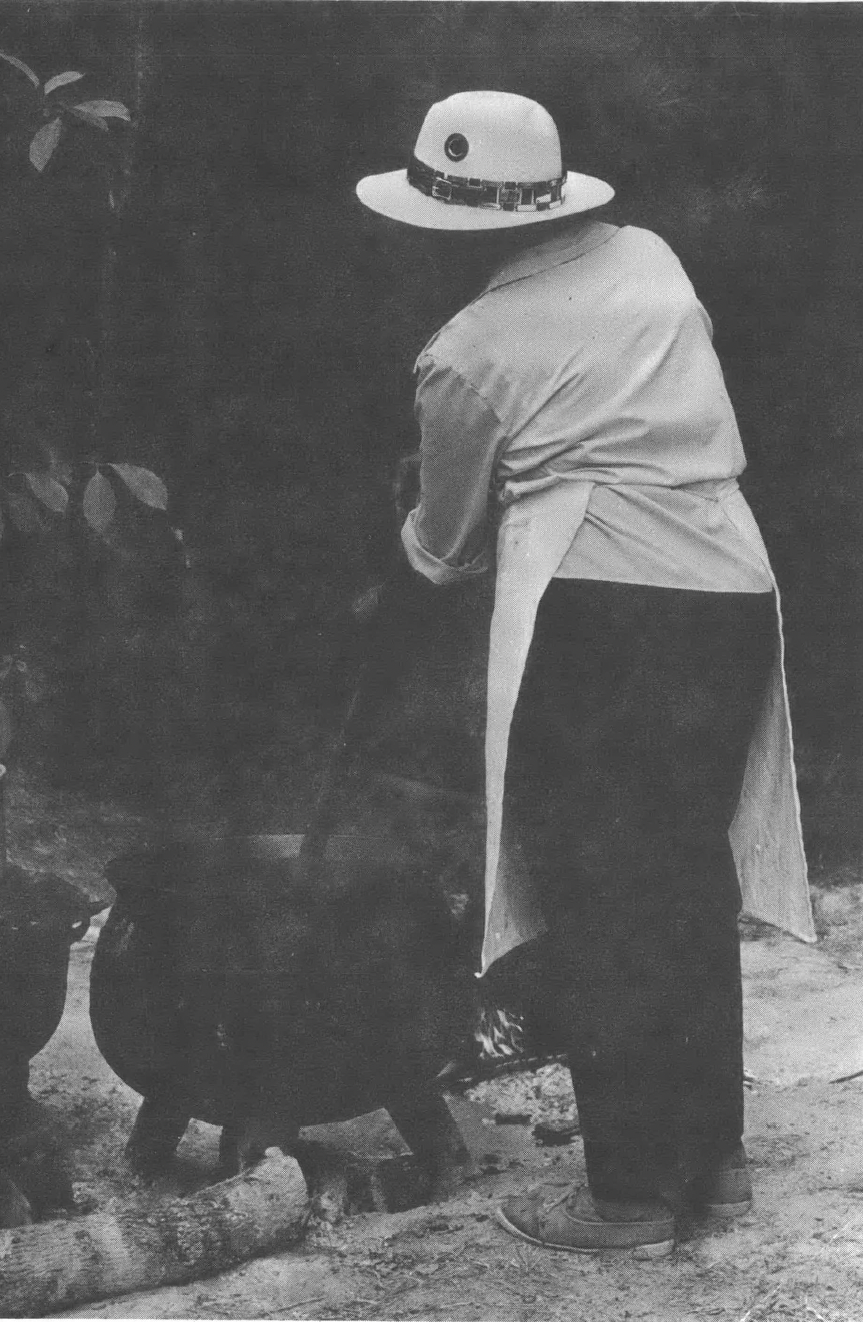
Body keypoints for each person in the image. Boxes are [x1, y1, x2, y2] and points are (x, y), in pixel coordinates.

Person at [356, 89, 817, 1255]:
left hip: (601, 610)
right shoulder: (652, 260)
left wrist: (405, 522)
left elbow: (446, 548)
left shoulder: (465, 351)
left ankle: (623, 1194)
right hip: (725, 588)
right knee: (680, 874)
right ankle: (711, 1163)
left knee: (606, 893)